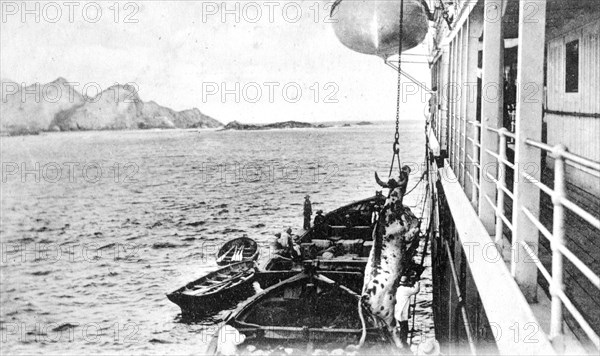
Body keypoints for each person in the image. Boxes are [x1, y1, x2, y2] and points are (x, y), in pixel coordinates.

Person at [395, 273, 421, 349]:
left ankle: (402, 341)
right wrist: (417, 281)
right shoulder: (405, 290)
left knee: (402, 326)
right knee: (404, 327)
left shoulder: (398, 289)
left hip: (398, 311)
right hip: (402, 312)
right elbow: (415, 290)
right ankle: (404, 343)